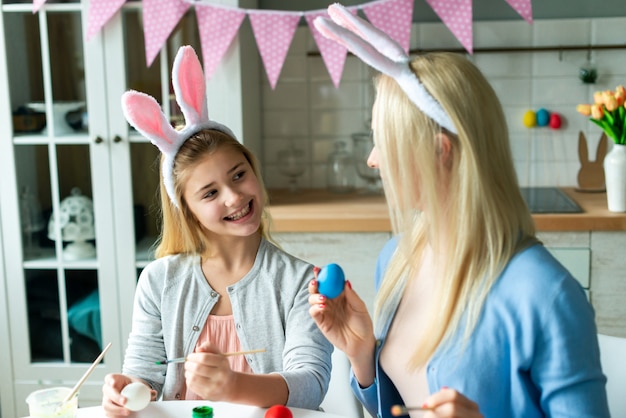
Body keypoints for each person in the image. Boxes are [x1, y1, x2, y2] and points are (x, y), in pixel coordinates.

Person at [308, 4, 609, 418]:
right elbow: (399, 409)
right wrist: (362, 355)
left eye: (385, 142)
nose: (372, 160)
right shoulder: (397, 258)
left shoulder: (545, 296)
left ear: (439, 152)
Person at [101, 45, 332, 417]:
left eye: (239, 174)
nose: (234, 196)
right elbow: (146, 376)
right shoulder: (159, 282)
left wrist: (233, 385)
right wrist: (126, 391)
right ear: (187, 211)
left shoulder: (301, 283)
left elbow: (311, 385)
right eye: (210, 193)